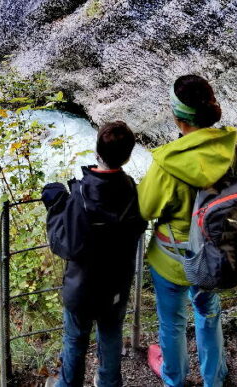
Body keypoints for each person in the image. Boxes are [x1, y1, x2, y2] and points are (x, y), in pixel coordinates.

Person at [138, 75, 237, 387]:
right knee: (208, 311)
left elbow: (146, 208)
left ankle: (174, 379)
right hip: (218, 254)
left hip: (173, 259)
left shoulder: (168, 163)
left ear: (178, 117)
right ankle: (213, 377)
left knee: (172, 322)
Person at [42, 121, 147, 387]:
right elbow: (136, 229)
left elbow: (63, 244)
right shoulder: (132, 190)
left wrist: (56, 205)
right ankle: (109, 382)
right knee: (111, 335)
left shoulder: (81, 194)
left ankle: (68, 384)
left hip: (82, 287)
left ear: (97, 150)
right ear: (128, 154)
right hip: (116, 285)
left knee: (76, 339)